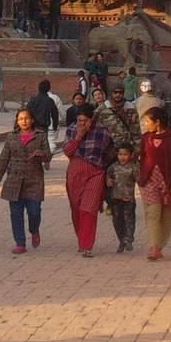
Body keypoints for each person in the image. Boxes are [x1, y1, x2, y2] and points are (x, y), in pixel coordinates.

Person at [0, 107, 52, 254]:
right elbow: (4, 158)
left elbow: (48, 156)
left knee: (34, 211)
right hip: (14, 179)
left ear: (32, 120)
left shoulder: (40, 136)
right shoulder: (11, 137)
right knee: (16, 213)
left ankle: (34, 229)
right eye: (21, 119)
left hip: (34, 179)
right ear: (17, 121)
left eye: (27, 118)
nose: (24, 121)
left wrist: (40, 154)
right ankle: (20, 242)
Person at [63, 104, 113, 256]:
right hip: (75, 173)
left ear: (92, 120)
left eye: (85, 121)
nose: (82, 124)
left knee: (88, 209)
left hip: (95, 173)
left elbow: (109, 153)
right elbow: (67, 151)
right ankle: (81, 238)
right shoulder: (72, 129)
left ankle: (86, 245)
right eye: (79, 120)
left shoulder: (102, 132)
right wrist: (79, 136)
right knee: (76, 208)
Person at [139, 107, 171, 260]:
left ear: (157, 122)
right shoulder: (145, 138)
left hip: (168, 181)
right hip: (149, 181)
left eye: (148, 121)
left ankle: (159, 245)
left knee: (167, 214)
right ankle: (153, 246)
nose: (145, 125)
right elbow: (142, 159)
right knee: (153, 212)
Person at [107, 143, 140, 253]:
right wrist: (108, 182)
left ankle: (129, 239)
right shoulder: (113, 167)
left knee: (129, 220)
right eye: (120, 154)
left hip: (128, 199)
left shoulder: (133, 167)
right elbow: (108, 177)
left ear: (131, 155)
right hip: (115, 199)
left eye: (125, 154)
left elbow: (140, 179)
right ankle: (121, 240)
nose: (122, 157)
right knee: (117, 221)